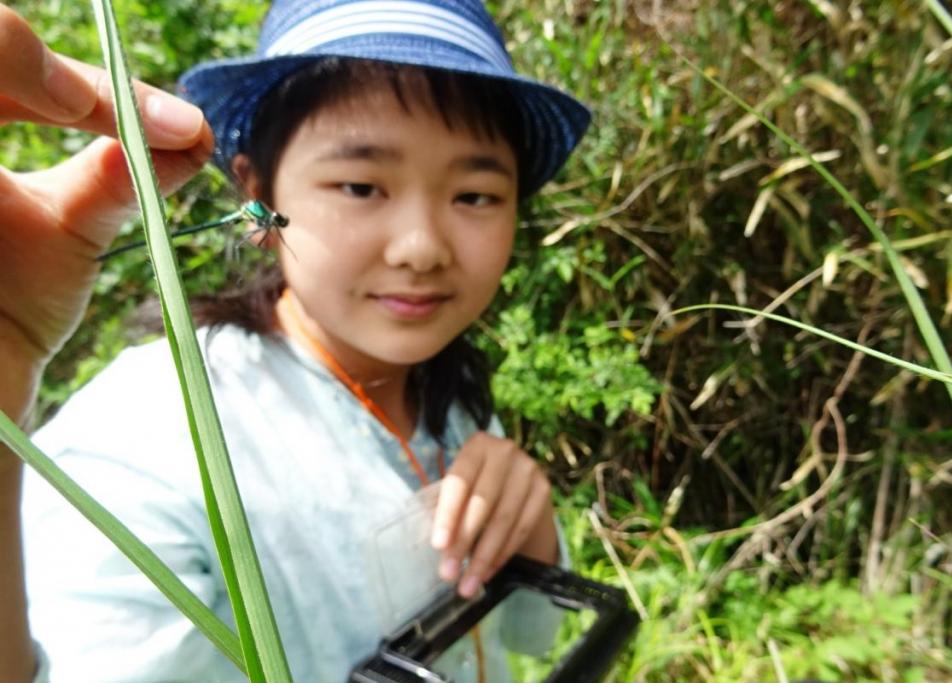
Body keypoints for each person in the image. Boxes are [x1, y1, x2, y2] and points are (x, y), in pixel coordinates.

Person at [0, 0, 590, 680]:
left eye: (475, 195)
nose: (422, 247)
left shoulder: (447, 393)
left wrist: (534, 530)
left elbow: (531, 635)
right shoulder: (150, 436)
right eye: (362, 185)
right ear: (257, 192)